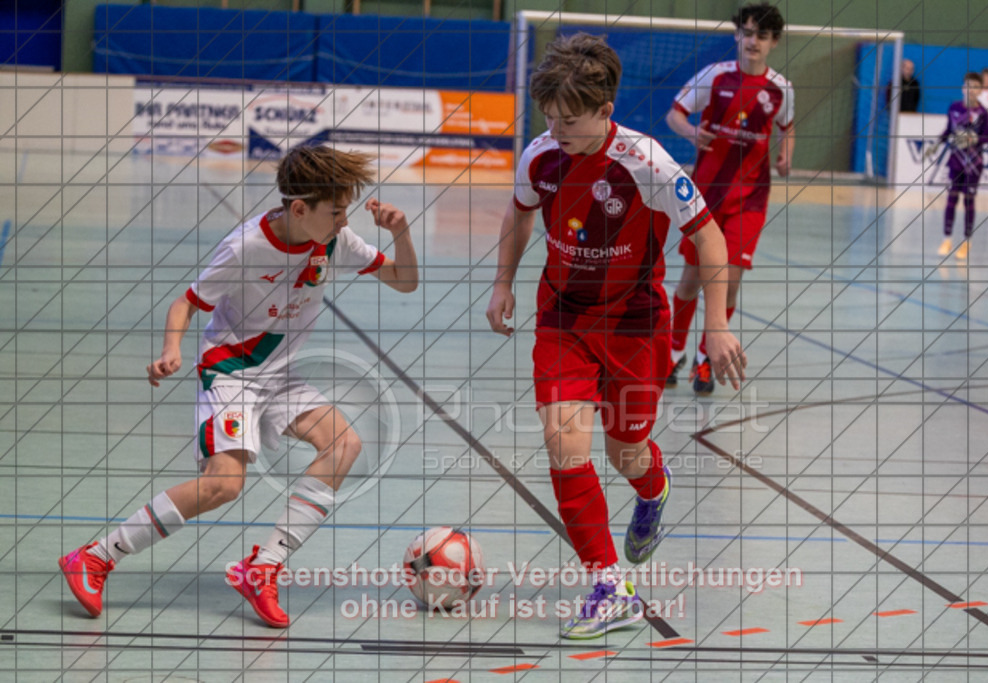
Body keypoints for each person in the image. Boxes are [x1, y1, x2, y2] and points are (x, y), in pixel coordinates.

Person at [58, 145, 419, 628]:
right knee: (222, 486)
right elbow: (186, 303)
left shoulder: (335, 240)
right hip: (232, 371)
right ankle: (96, 556)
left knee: (344, 444)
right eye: (335, 211)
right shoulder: (246, 246)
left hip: (280, 375)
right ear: (299, 208)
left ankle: (262, 568)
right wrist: (172, 350)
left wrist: (401, 233)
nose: (343, 219)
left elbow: (405, 280)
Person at [485, 32, 746, 639]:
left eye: (570, 120)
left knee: (624, 451)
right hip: (563, 320)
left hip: (634, 326)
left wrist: (716, 325)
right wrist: (503, 283)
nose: (557, 130)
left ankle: (652, 488)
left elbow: (709, 239)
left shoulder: (648, 161)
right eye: (548, 118)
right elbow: (520, 212)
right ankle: (608, 584)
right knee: (563, 444)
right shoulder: (541, 156)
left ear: (606, 111)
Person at [664, 2, 793, 394]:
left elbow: (787, 126)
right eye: (748, 32)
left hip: (750, 199)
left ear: (773, 43)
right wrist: (691, 133)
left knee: (730, 280)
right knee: (690, 281)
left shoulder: (781, 89)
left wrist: (787, 153)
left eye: (762, 36)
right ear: (738, 35)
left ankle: (706, 358)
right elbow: (675, 115)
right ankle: (672, 352)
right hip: (705, 197)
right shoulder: (715, 77)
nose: (753, 41)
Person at [936, 72, 988, 260]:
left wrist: (973, 138)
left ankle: (966, 241)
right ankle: (946, 239)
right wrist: (938, 142)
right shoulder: (954, 108)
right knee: (952, 197)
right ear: (963, 88)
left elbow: (987, 137)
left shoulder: (982, 113)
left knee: (969, 200)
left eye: (976, 87)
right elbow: (949, 130)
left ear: (980, 91)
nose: (971, 90)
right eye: (968, 86)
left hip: (973, 164)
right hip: (956, 160)